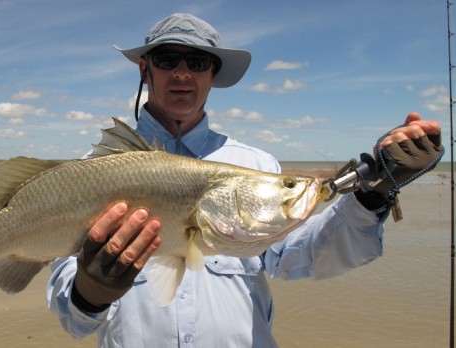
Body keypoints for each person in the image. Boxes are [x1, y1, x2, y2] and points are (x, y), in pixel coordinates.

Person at [47, 13, 443, 347]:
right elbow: (77, 322)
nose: (183, 72)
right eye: (168, 59)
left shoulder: (256, 164)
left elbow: (302, 255)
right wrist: (89, 292)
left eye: (198, 62)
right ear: (144, 69)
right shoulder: (91, 173)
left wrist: (374, 195)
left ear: (212, 73)